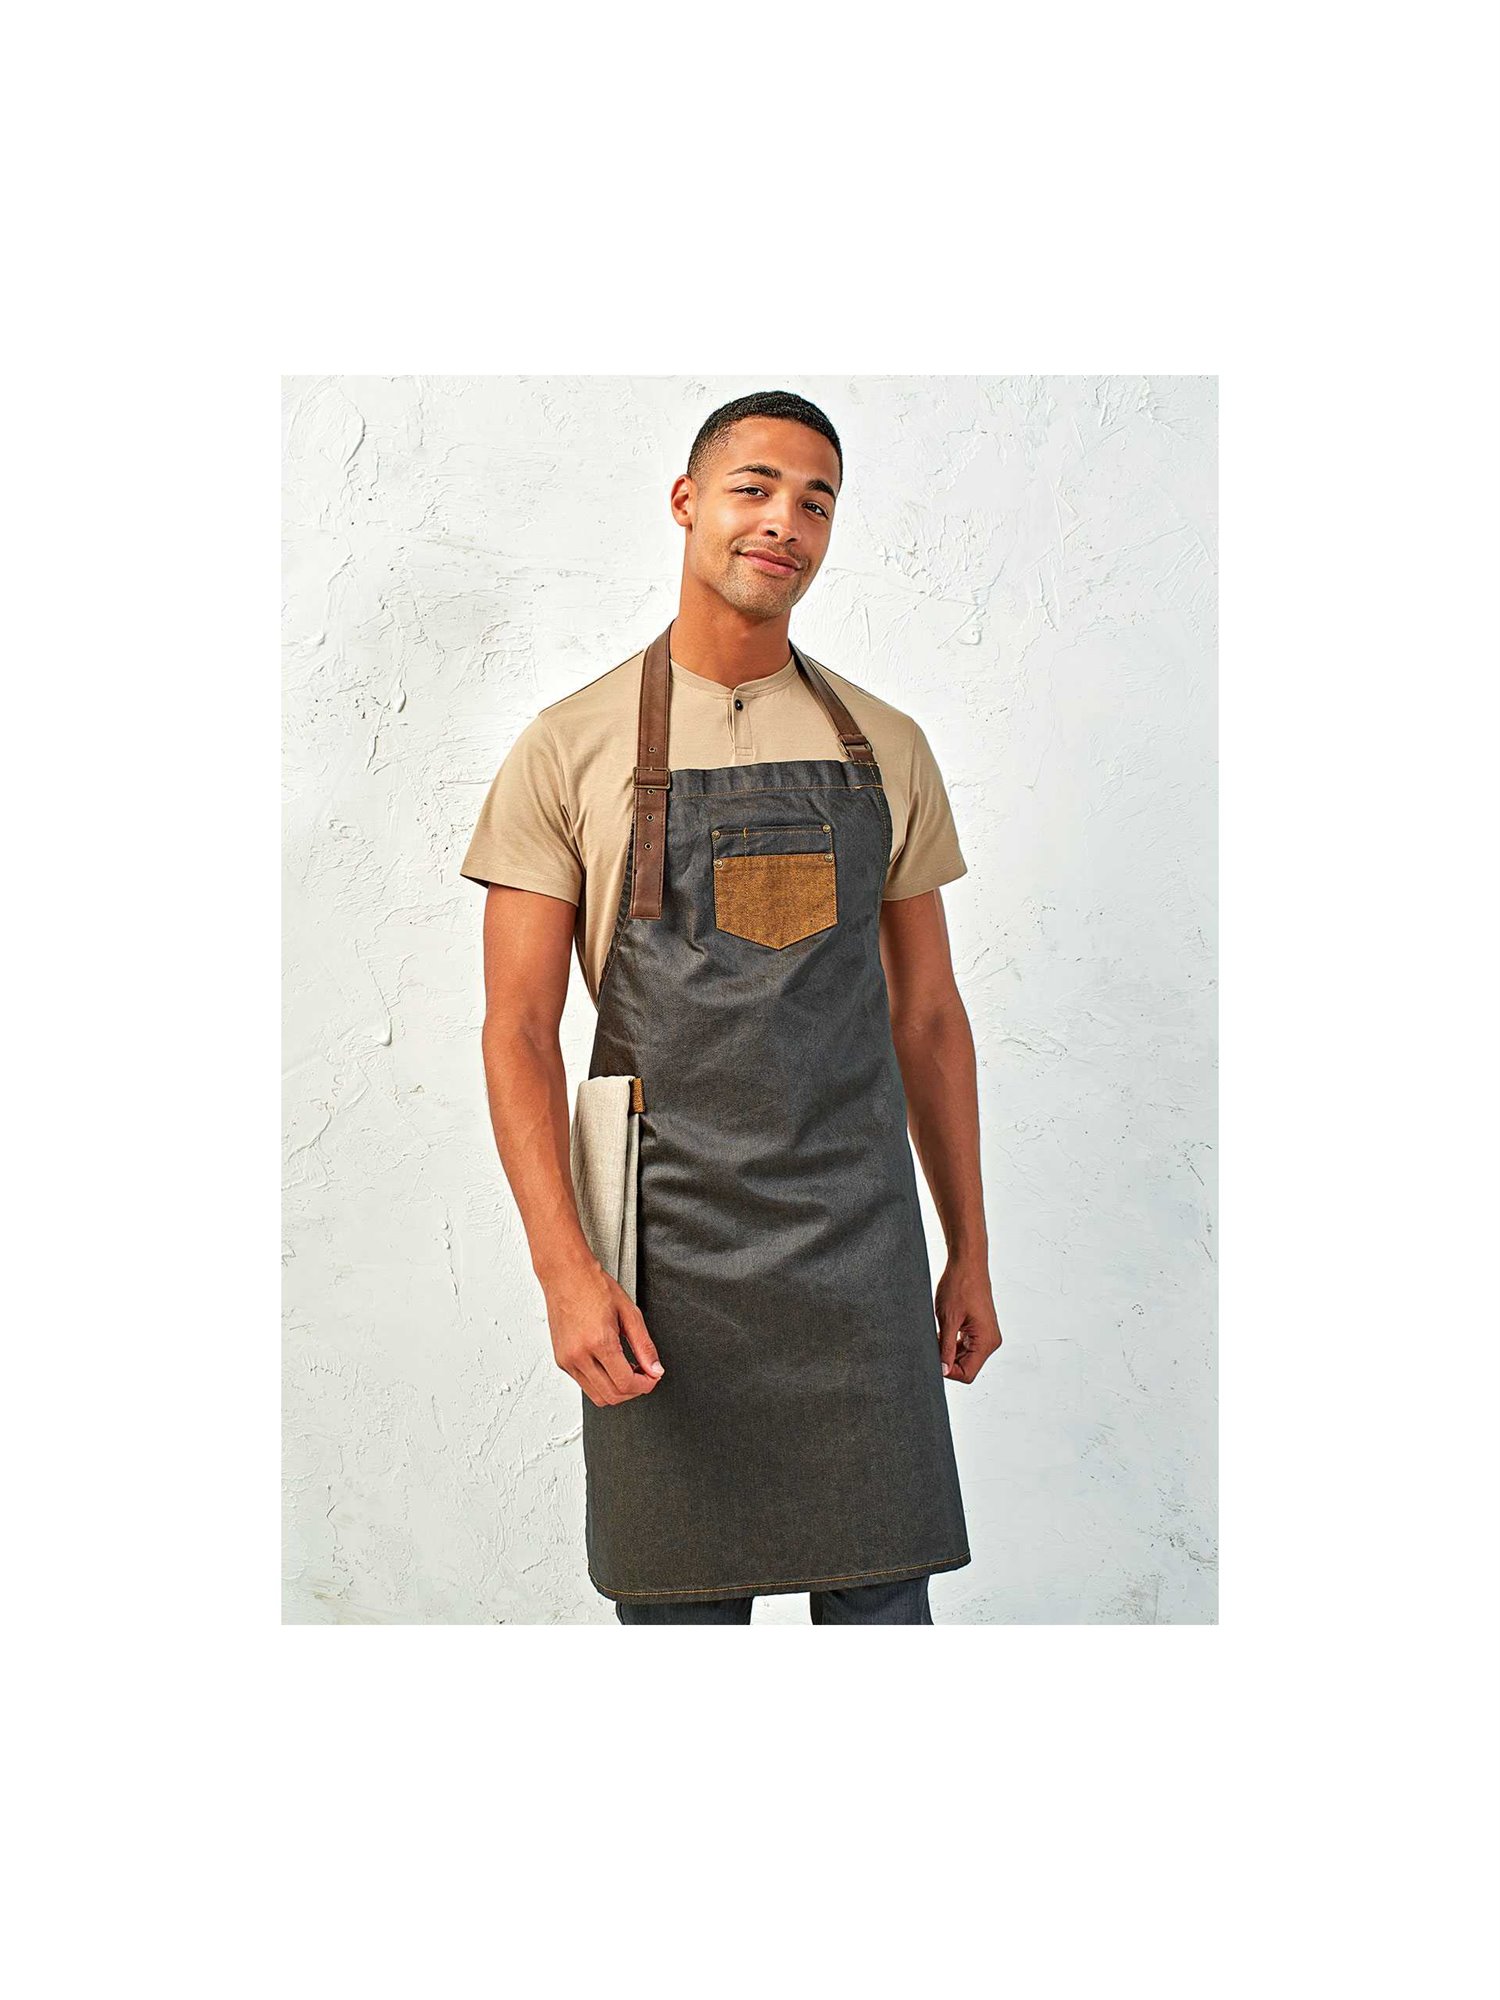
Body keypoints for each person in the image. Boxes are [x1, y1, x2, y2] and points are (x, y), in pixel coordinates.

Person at [461, 389, 1003, 1625]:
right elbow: (517, 1031)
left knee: (883, 1616)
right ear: (687, 501)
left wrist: (968, 1245)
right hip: (664, 1267)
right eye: (755, 487)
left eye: (817, 502)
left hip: (859, 1258)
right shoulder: (568, 745)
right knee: (679, 1622)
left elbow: (928, 1015)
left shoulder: (888, 746)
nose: (784, 522)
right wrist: (564, 1270)